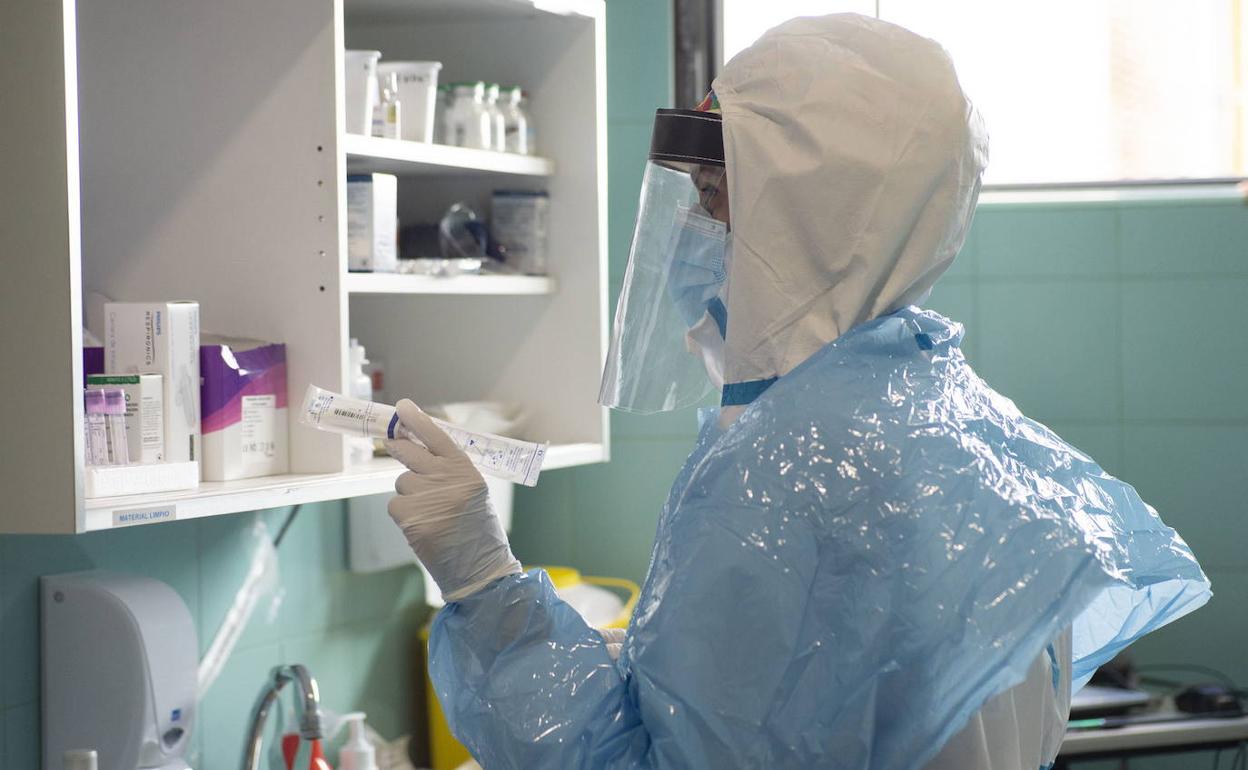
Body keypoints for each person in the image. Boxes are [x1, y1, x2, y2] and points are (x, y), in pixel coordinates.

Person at [385, 14, 1210, 770]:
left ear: (808, 213)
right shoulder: (959, 417)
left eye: (715, 199)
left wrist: (484, 584)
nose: (690, 238)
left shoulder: (786, 469)